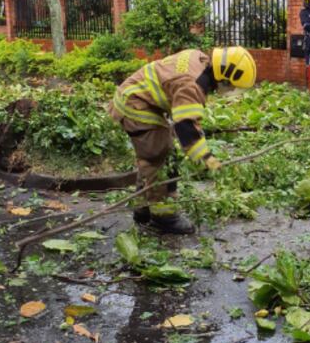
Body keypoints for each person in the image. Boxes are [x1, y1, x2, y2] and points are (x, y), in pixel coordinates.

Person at [110, 47, 257, 234]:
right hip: (136, 105)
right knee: (160, 159)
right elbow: (186, 128)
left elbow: (184, 112)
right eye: (232, 86)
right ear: (225, 77)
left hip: (137, 97)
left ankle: (143, 209)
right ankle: (163, 217)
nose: (230, 90)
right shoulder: (191, 86)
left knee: (155, 157)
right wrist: (207, 160)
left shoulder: (199, 57)